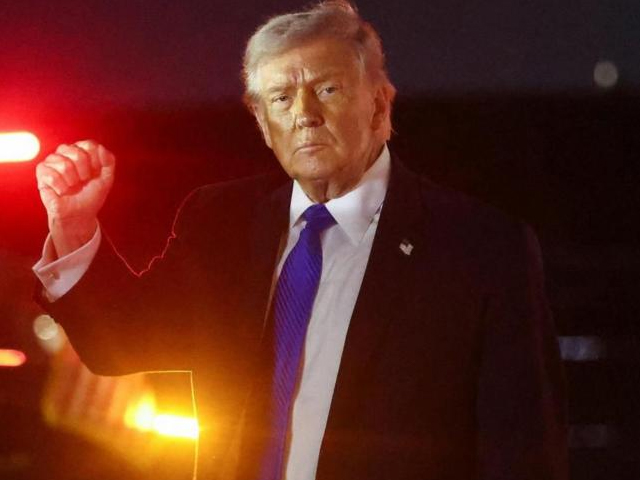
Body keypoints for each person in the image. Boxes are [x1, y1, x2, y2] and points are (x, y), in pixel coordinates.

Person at [33, 2, 568, 479]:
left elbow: (521, 456)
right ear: (263, 123)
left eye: (328, 89)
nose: (305, 115)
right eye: (282, 98)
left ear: (379, 105)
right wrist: (73, 226)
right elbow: (121, 343)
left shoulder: (480, 248)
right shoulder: (221, 221)